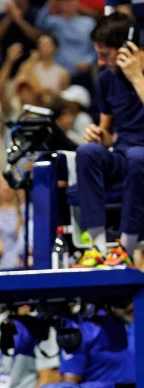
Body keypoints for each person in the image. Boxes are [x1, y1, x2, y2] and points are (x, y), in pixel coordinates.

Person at [75, 13, 144, 265]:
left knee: (138, 156)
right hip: (122, 154)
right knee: (86, 152)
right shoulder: (106, 79)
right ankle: (97, 246)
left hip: (141, 156)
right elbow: (107, 132)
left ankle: (125, 248)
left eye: (105, 55)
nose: (101, 62)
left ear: (128, 49)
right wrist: (98, 136)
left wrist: (137, 77)